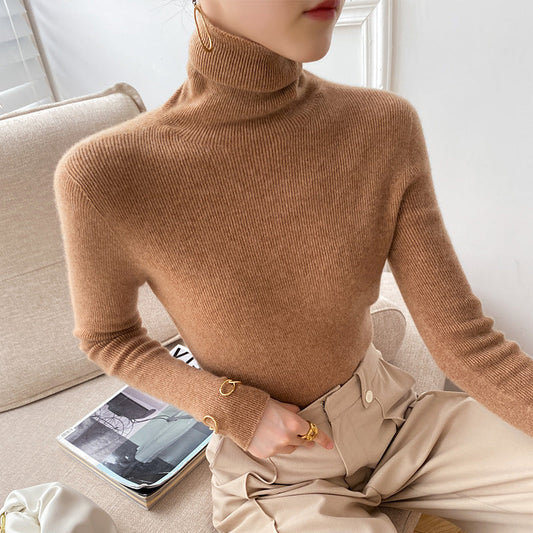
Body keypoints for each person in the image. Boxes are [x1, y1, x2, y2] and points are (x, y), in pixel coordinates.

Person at [53, 0, 533, 531]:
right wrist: (229, 407)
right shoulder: (105, 174)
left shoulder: (382, 125)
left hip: (402, 423)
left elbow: (464, 339)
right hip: (278, 478)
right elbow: (108, 336)